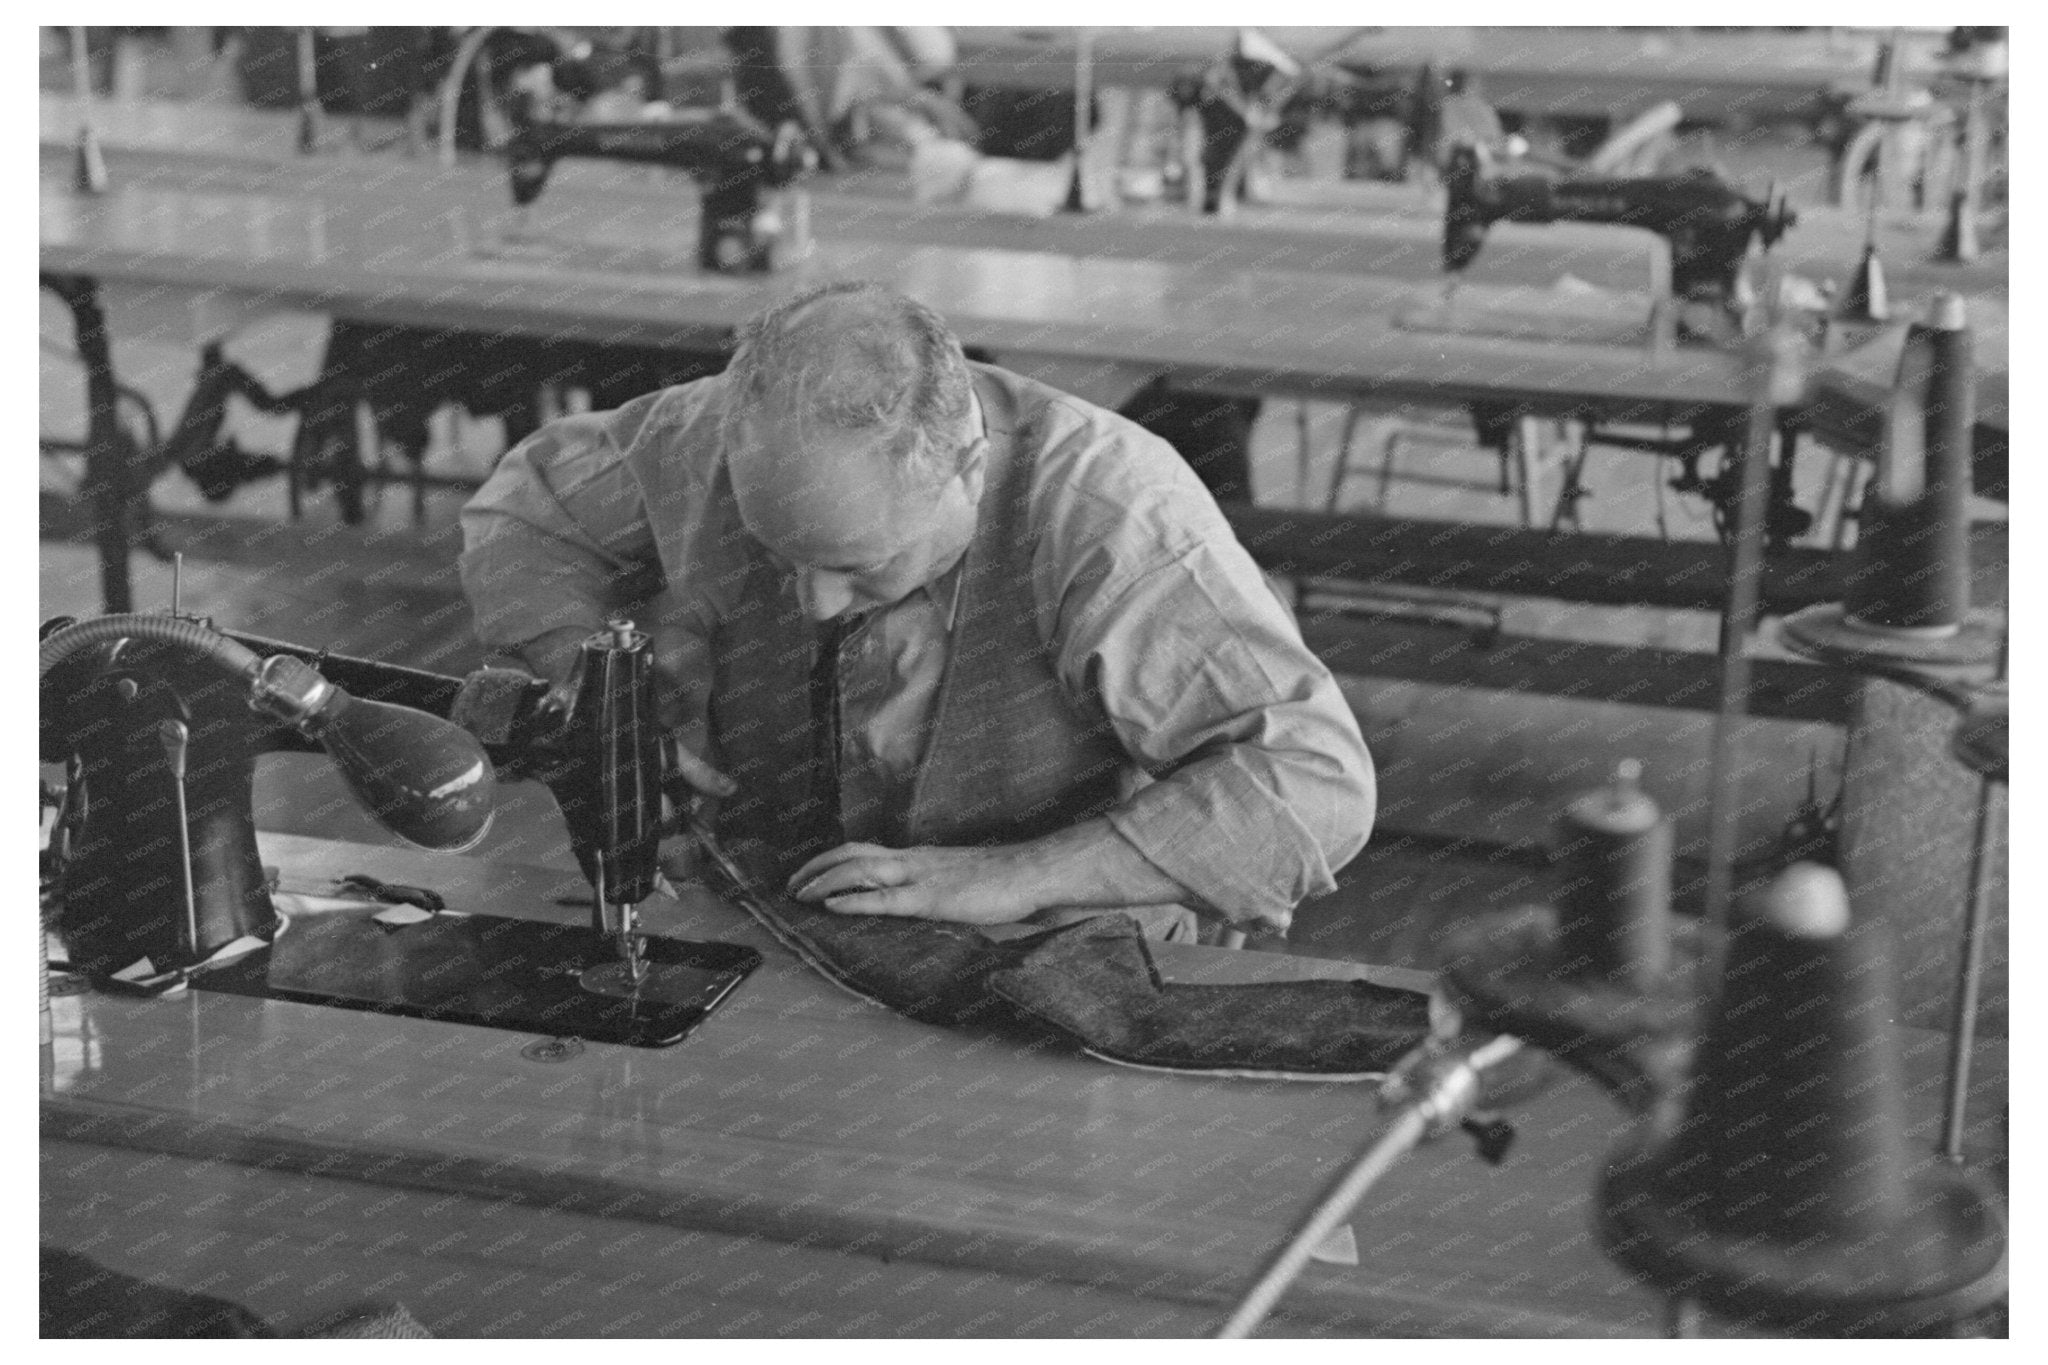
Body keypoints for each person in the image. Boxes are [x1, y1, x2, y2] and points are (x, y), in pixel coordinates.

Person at [459, 282, 1373, 943]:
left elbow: (1316, 785)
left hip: (1051, 949)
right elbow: (522, 513)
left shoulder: (1109, 513)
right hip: (765, 917)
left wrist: (1019, 875)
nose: (812, 606)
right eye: (778, 556)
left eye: (859, 568)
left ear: (965, 471)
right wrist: (590, 666)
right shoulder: (711, 436)